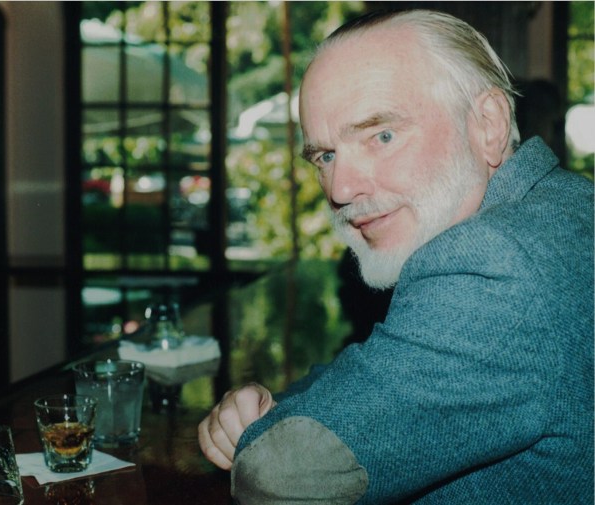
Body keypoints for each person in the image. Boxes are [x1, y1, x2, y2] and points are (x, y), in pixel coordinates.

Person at [198, 9, 593, 504]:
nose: (340, 189)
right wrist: (276, 408)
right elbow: (386, 366)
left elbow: (280, 473)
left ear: (489, 124)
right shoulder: (567, 203)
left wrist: (264, 430)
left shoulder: (493, 265)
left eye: (381, 136)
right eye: (325, 156)